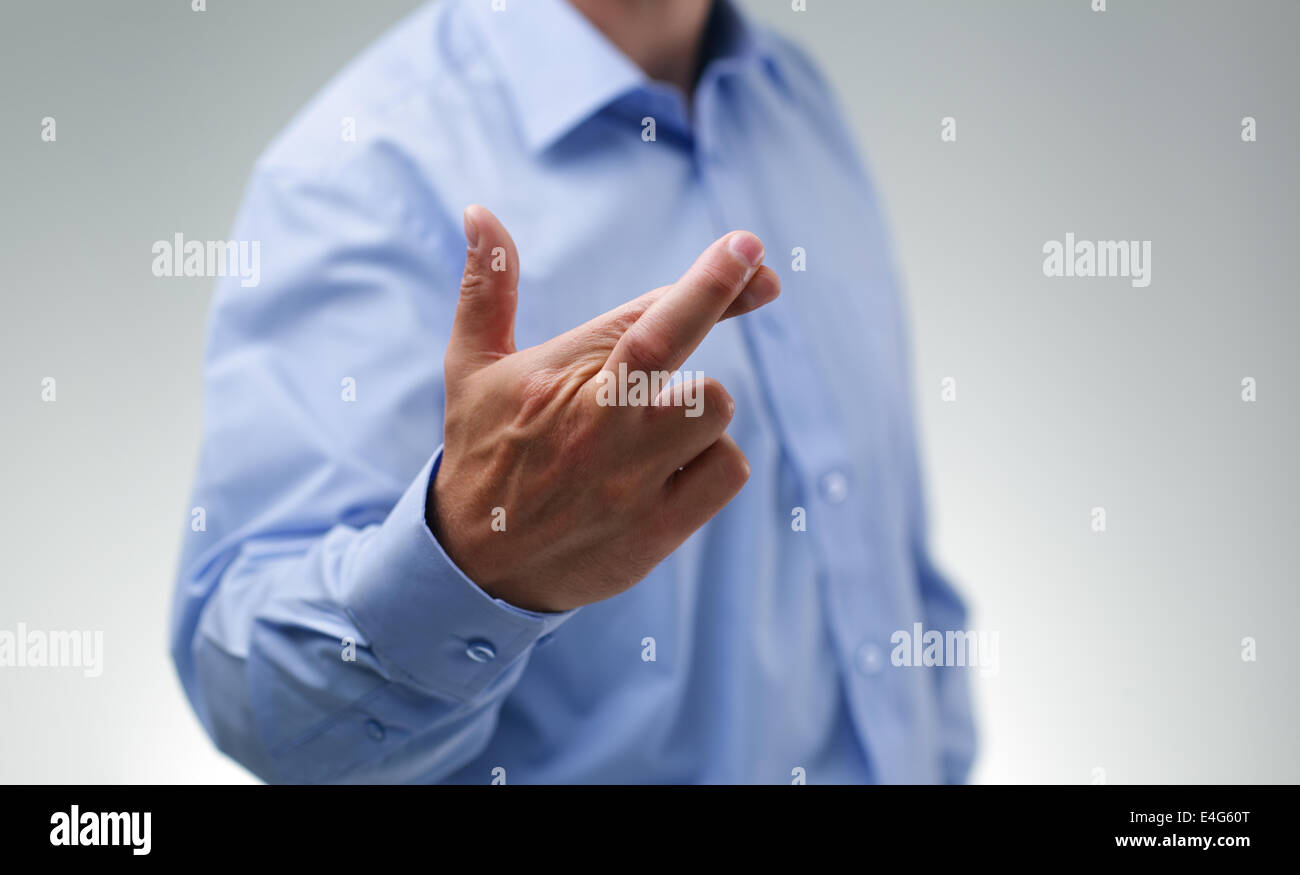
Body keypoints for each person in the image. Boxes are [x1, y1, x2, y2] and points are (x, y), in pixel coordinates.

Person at [170, 0, 976, 784]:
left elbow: (887, 551)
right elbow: (255, 700)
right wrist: (469, 558)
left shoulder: (793, 97)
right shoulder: (359, 171)